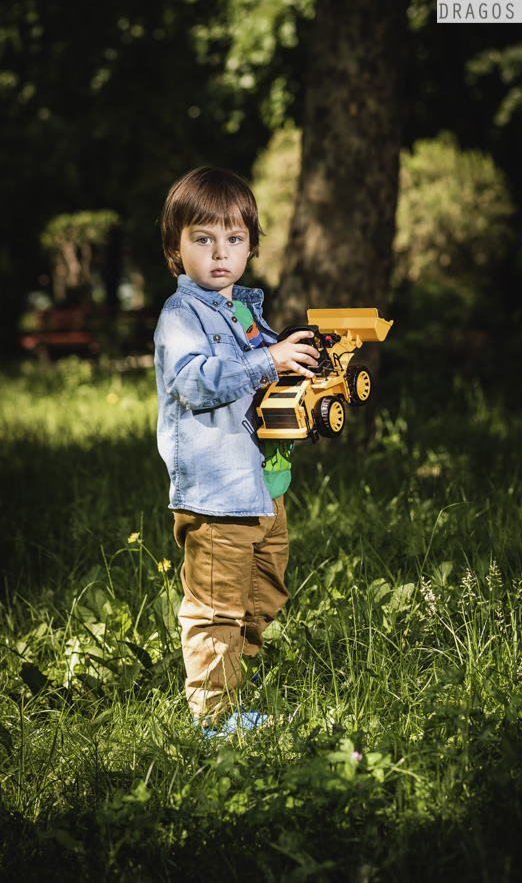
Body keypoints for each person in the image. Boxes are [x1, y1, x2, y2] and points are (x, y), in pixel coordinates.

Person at [154, 166, 320, 734]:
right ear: (177, 249)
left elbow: (270, 382)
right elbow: (196, 381)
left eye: (234, 239)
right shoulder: (182, 316)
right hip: (215, 493)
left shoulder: (245, 313)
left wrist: (300, 368)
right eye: (203, 239)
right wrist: (268, 361)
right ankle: (214, 717)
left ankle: (235, 686)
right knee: (216, 604)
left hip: (260, 487)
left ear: (250, 245)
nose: (219, 253)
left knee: (264, 589)